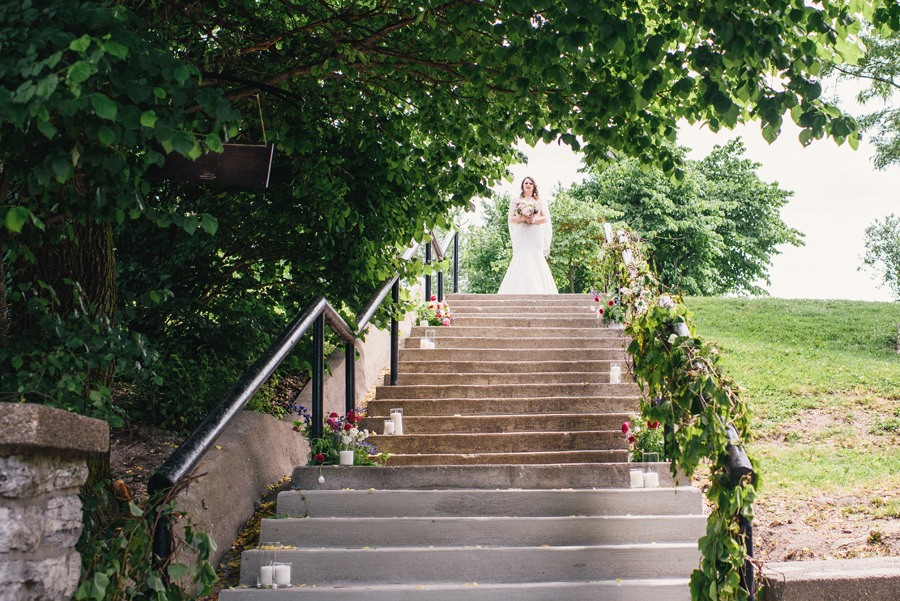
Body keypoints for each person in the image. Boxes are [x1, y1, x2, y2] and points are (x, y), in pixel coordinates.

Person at [497, 176, 558, 295]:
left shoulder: (539, 200)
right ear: (522, 186)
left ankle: (541, 290)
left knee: (536, 256)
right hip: (521, 232)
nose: (528, 185)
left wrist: (533, 220)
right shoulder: (516, 200)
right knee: (521, 256)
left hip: (535, 232)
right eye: (526, 183)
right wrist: (522, 217)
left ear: (534, 186)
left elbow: (545, 218)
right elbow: (511, 219)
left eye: (530, 183)